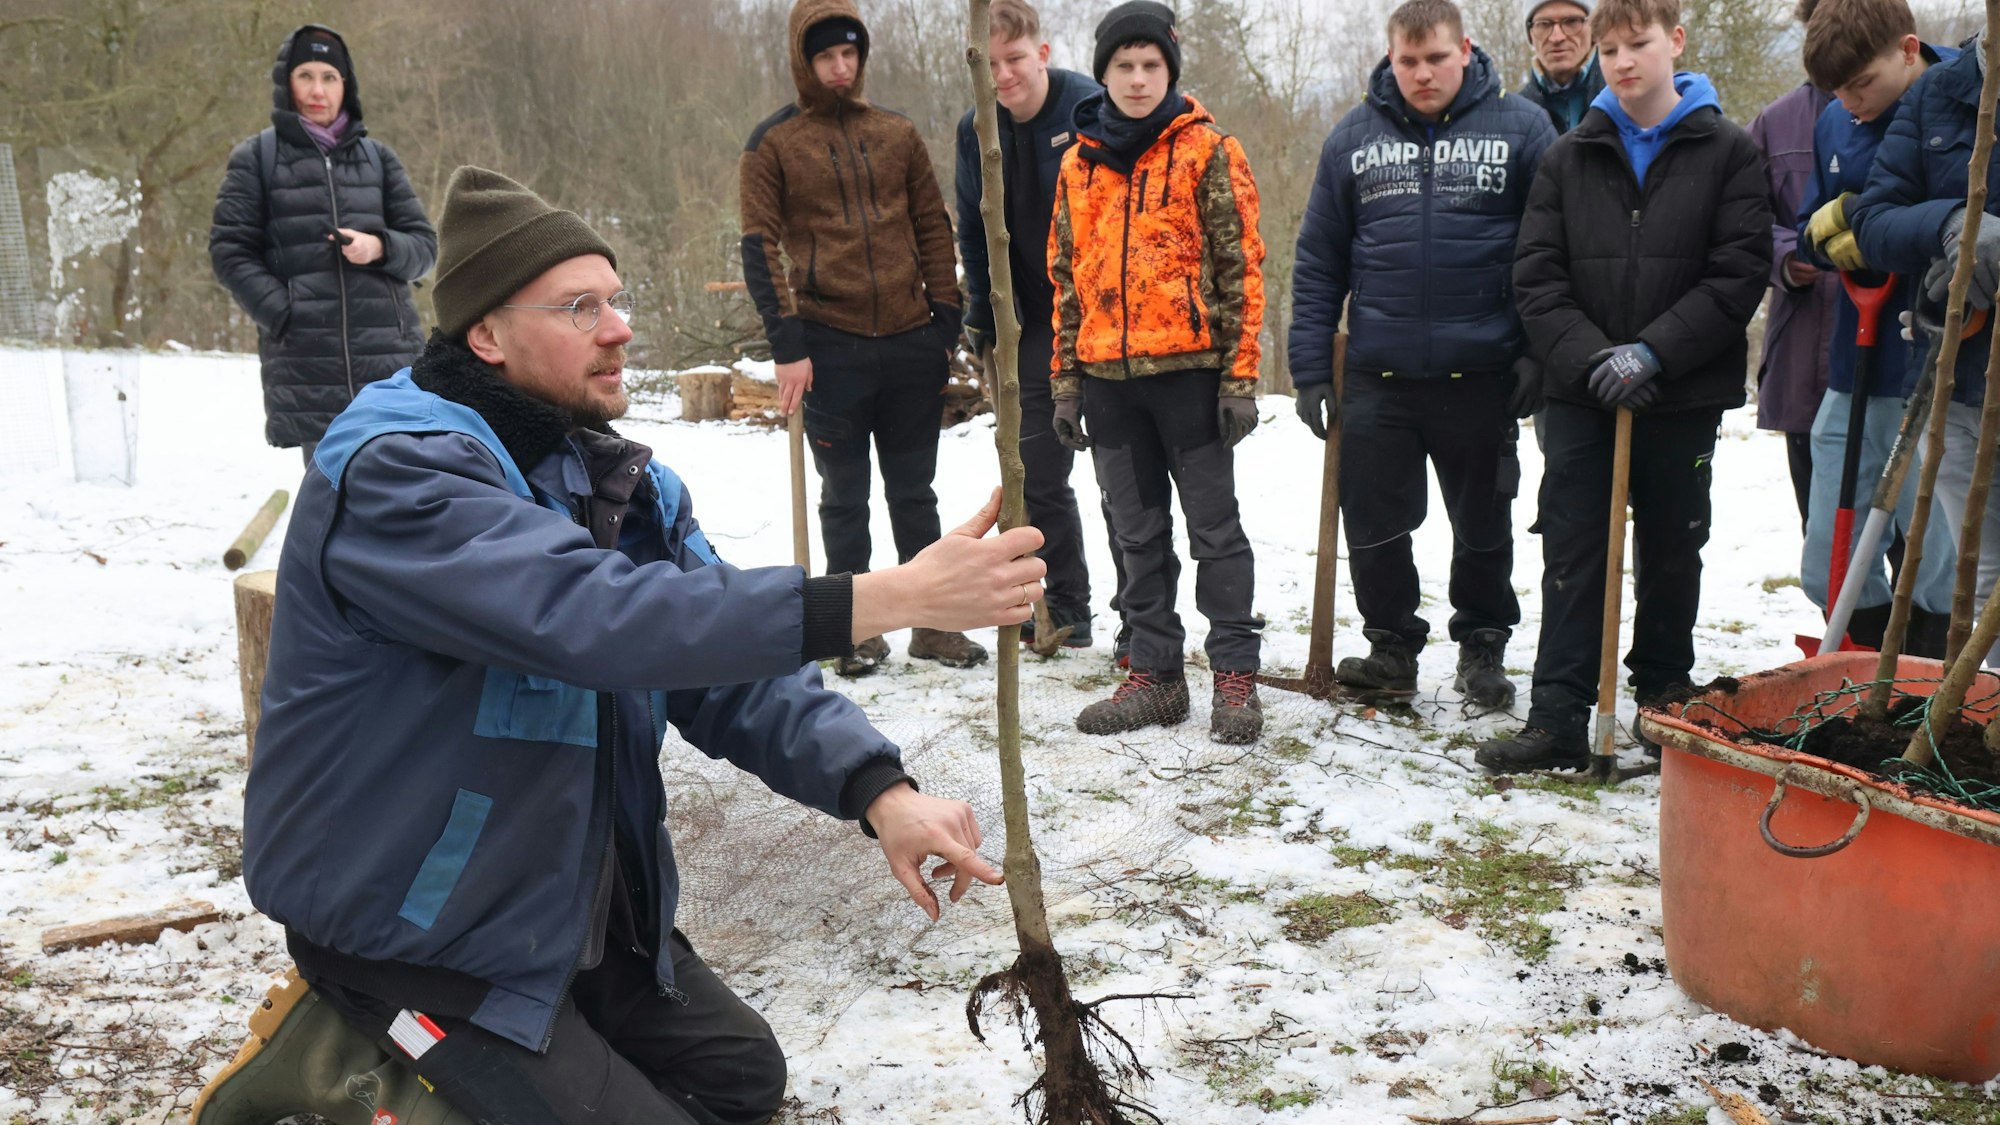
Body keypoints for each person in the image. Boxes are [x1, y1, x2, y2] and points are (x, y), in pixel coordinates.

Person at [192, 166, 1044, 1125]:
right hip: (416, 928)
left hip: (564, 902)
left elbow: (725, 671)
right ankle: (352, 1072)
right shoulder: (399, 473)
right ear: (486, 334)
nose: (620, 327)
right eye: (580, 306)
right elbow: (597, 618)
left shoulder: (613, 479)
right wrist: (890, 596)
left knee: (737, 1079)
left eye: (618, 298)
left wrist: (878, 791)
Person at [1478, 0, 1772, 771]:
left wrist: (1654, 352)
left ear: (1674, 42)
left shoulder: (1729, 153)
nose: (1620, 60)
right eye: (1608, 49)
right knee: (1574, 548)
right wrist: (1593, 359)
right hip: (1582, 399)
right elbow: (1536, 278)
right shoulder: (1569, 155)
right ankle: (1559, 715)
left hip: (1681, 397)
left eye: (1636, 44)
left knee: (1673, 547)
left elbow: (1737, 272)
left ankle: (1664, 702)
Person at [1288, 0, 1555, 710]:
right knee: (1374, 520)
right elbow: (1319, 260)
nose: (1422, 73)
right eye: (1407, 61)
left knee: (1483, 523)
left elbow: (1547, 253)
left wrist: (1538, 352)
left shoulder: (1523, 128)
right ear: (1390, 59)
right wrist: (1311, 367)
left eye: (1435, 58)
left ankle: (1483, 646)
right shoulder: (1353, 137)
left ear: (1465, 49)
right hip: (1379, 375)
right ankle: (1392, 647)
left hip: (1484, 373)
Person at [740, 0, 984, 676]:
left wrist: (945, 319)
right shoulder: (774, 143)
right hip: (829, 344)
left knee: (915, 492)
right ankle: (851, 628)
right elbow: (758, 245)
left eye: (849, 54)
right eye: (825, 56)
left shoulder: (897, 133)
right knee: (844, 495)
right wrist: (788, 344)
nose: (839, 67)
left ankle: (934, 623)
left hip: (912, 342)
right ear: (804, 61)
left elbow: (933, 228)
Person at [1048, 0, 1268, 743]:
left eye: (1151, 66)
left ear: (1170, 69)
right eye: (1123, 66)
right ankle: (1156, 672)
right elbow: (1065, 280)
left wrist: (1240, 378)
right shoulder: (1077, 163)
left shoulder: (1208, 150)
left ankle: (1234, 670)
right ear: (1103, 70)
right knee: (1136, 536)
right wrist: (1066, 381)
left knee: (1214, 531)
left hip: (1191, 379)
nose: (1138, 79)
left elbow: (1242, 268)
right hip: (1109, 383)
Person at [954, 0, 1121, 657]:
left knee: (1117, 472)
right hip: (1026, 324)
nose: (1004, 75)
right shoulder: (975, 129)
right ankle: (1063, 608)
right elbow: (972, 223)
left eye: (1015, 59)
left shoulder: (1088, 109)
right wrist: (980, 312)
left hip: (1101, 319)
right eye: (989, 64)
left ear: (1043, 54)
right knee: (1037, 473)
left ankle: (1139, 613)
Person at [1795, 0, 1957, 655]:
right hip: (1856, 360)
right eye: (1837, 91)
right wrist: (1820, 237)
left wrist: (1885, 228)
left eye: (1863, 84)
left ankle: (1924, 674)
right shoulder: (1836, 121)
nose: (1851, 103)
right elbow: (1810, 229)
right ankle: (1858, 666)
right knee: (1830, 552)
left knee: (1940, 558)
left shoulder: (1966, 109)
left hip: (1947, 368)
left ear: (1909, 49)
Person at [209, 24, 436, 466]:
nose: (318, 89)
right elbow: (229, 251)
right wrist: (285, 311)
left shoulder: (379, 159)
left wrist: (380, 248)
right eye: (305, 75)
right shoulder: (257, 158)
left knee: (400, 496)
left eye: (329, 77)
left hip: (389, 361)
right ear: (286, 83)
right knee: (328, 494)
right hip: (309, 363)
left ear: (345, 86)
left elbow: (425, 247)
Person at [1850, 18, 2000, 664]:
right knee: (1986, 570)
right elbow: (1874, 219)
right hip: (1961, 381)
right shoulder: (1938, 93)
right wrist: (1951, 224)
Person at [1748, 0, 1839, 527]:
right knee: (1822, 531)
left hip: (1898, 365)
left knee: (1911, 541)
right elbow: (1738, 222)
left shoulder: (1917, 110)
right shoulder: (1774, 124)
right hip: (1805, 359)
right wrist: (1785, 256)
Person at [1519, 0, 1604, 136]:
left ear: (1593, 29)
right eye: (1544, 24)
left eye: (1571, 22)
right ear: (1530, 35)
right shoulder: (1515, 116)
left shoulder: (1626, 100)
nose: (1557, 37)